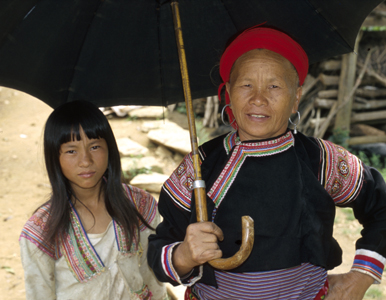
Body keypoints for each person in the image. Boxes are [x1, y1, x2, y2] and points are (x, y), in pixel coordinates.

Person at [147, 25, 386, 300]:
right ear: (228, 94)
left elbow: (381, 205)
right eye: (246, 85)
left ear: (296, 97)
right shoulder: (199, 168)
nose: (258, 98)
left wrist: (362, 276)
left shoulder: (321, 160)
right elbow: (158, 252)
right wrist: (184, 255)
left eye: (274, 86)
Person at [19, 100, 169, 300]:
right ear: (55, 157)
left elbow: (153, 279)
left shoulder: (140, 206)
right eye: (71, 151)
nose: (85, 160)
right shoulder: (41, 232)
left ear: (110, 149)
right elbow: (40, 294)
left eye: (95, 146)